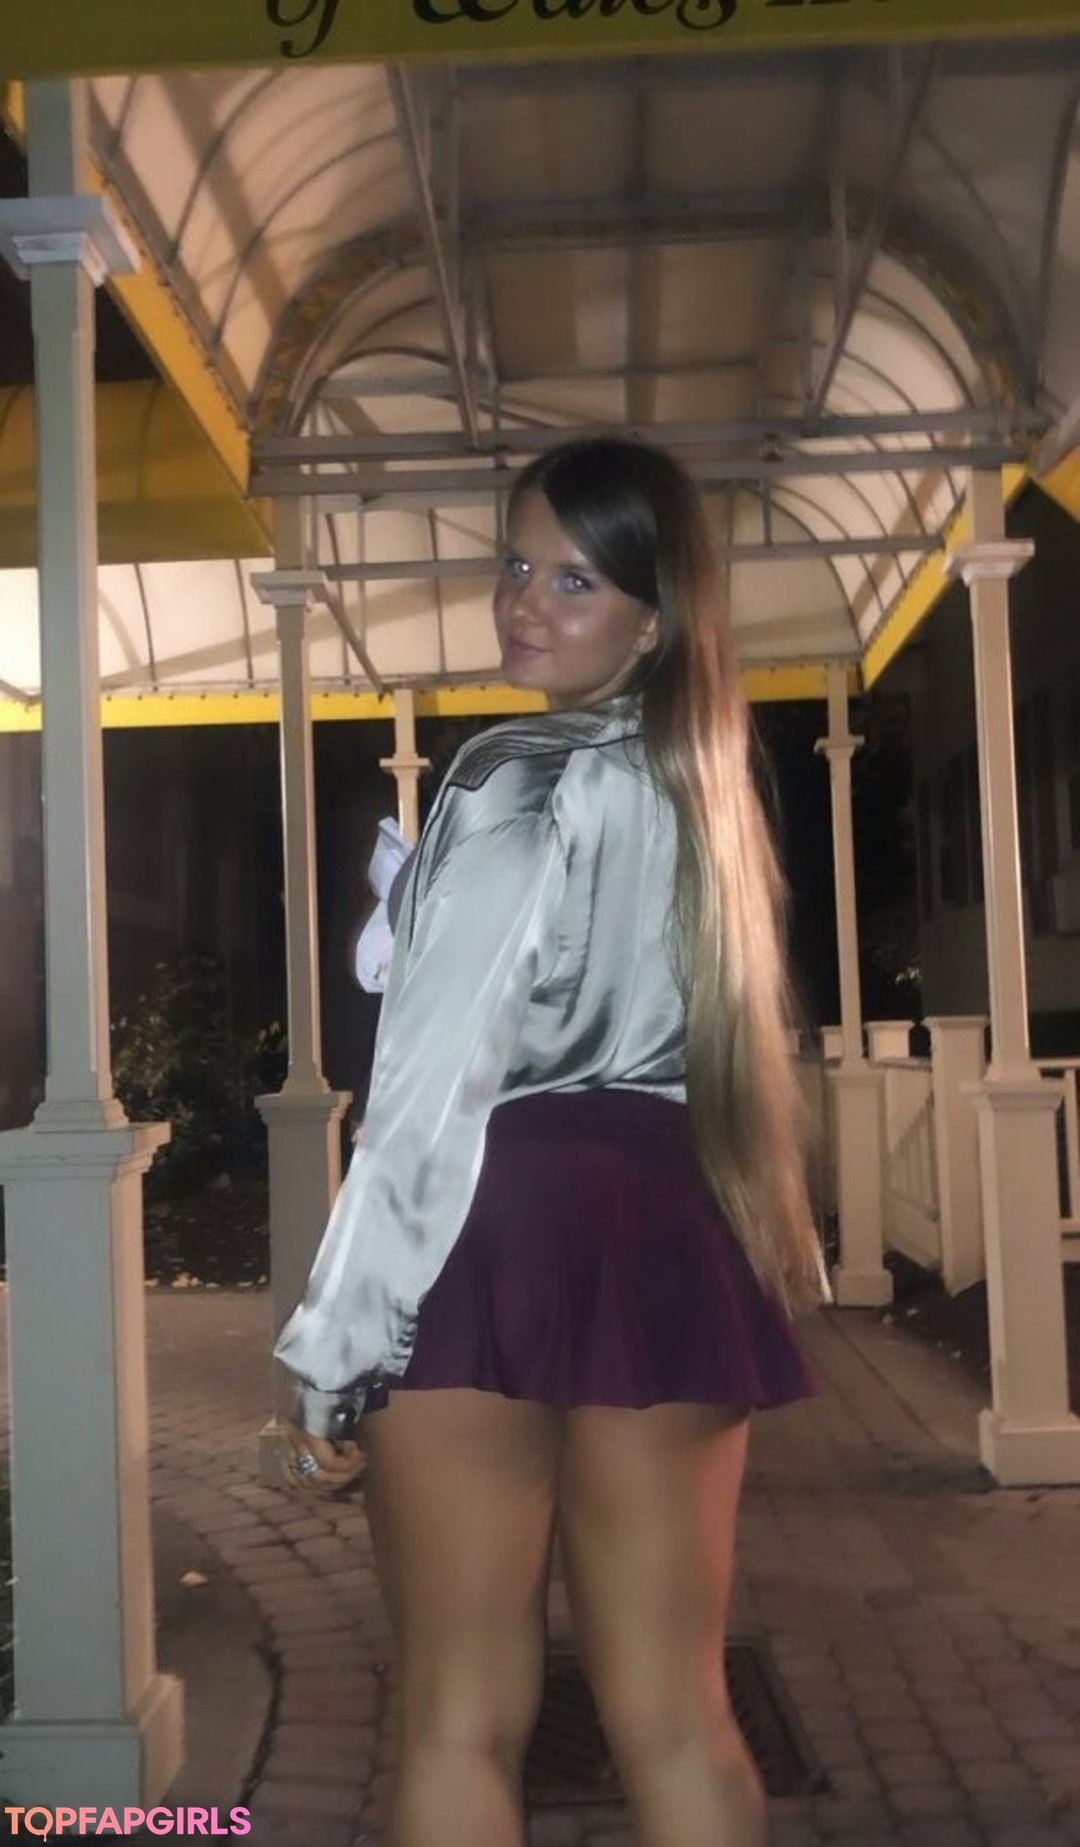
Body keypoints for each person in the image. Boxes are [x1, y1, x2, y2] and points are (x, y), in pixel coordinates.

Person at [274, 436, 825, 1847]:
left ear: (652, 616)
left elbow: (427, 1094)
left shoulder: (511, 774)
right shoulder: (703, 784)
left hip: (492, 1224)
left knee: (458, 1716)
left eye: (574, 580)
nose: (524, 601)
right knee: (681, 1717)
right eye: (516, 564)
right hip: (668, 1224)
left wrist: (338, 1350)